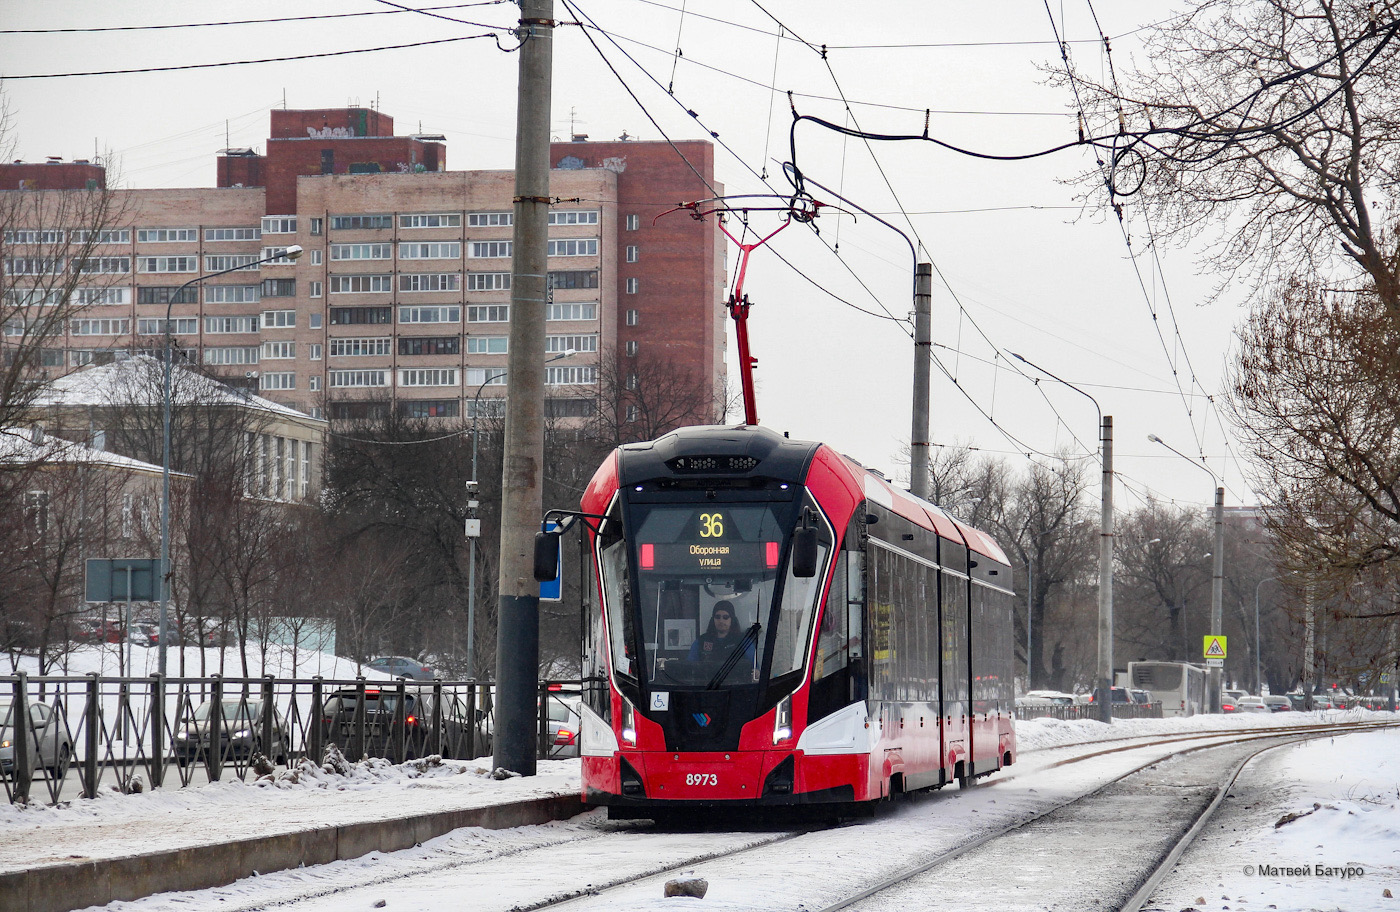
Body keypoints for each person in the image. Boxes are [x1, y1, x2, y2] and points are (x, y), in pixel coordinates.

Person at [687, 601, 756, 671]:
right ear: (713, 619)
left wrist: (756, 672)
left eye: (725, 617)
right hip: (707, 678)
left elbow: (754, 668)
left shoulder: (743, 641)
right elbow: (690, 668)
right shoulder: (701, 641)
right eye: (717, 617)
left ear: (732, 619)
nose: (721, 621)